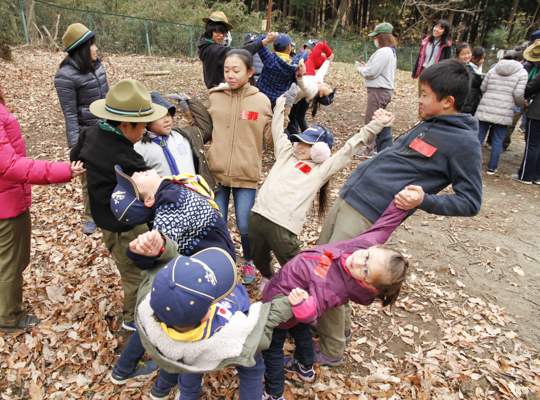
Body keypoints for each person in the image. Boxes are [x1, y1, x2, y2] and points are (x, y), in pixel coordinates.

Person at [313, 59, 483, 367]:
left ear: (448, 101)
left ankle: (332, 347)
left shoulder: (464, 142)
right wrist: (387, 132)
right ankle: (339, 325)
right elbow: (399, 158)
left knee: (332, 274)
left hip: (370, 213)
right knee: (324, 262)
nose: (419, 99)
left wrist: (424, 200)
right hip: (352, 197)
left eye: (425, 94)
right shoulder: (430, 122)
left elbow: (471, 201)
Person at [0, 23, 85, 332]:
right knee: (13, 259)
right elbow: (7, 165)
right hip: (1, 197)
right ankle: (11, 317)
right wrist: (63, 170)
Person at [261, 199, 410, 400]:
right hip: (290, 289)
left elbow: (313, 311)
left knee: (272, 347)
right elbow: (383, 227)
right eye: (366, 256)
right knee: (299, 330)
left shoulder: (333, 287)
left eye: (365, 270)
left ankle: (273, 392)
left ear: (369, 285)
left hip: (284, 304)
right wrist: (401, 205)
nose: (358, 260)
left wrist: (301, 305)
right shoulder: (360, 248)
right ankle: (305, 367)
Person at [120, 231, 294, 400]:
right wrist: (292, 302)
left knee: (189, 366)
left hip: (187, 356)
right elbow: (265, 318)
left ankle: (174, 391)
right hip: (221, 337)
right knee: (253, 368)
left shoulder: (148, 311)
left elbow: (154, 271)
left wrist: (154, 250)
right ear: (207, 314)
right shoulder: (233, 334)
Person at [107, 165, 237, 388]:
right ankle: (161, 384)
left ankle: (126, 369)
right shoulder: (171, 203)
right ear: (149, 201)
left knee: (166, 315)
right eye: (134, 182)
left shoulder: (171, 189)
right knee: (180, 321)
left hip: (203, 260)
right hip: (208, 270)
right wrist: (145, 250)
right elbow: (162, 240)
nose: (136, 173)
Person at [248, 97, 394, 286]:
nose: (300, 146)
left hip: (283, 226)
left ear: (321, 150)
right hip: (258, 216)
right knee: (257, 254)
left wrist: (375, 126)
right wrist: (280, 107)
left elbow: (348, 150)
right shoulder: (286, 154)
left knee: (293, 264)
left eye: (308, 144)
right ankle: (268, 276)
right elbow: (277, 131)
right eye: (299, 141)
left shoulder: (321, 170)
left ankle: (301, 290)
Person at [70, 79, 168, 332]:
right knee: (136, 273)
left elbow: (75, 156)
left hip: (105, 219)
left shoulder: (90, 134)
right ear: (125, 125)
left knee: (131, 268)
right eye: (142, 127)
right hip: (125, 224)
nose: (144, 132)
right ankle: (134, 322)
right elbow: (152, 190)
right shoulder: (126, 156)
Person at [206, 49, 273, 285]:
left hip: (246, 173)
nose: (230, 75)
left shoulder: (261, 101)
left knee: (245, 225)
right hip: (217, 172)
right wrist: (187, 110)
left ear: (250, 71)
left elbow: (270, 140)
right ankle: (222, 263)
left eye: (236, 70)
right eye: (226, 70)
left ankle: (249, 262)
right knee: (219, 222)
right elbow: (206, 131)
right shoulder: (215, 96)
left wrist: (282, 115)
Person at [55, 23, 109, 235]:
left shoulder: (98, 66)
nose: (96, 48)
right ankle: (90, 216)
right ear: (82, 48)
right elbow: (69, 114)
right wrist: (75, 147)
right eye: (92, 44)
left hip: (107, 128)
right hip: (88, 135)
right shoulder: (65, 76)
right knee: (89, 178)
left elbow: (108, 97)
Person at [133, 91, 218, 192]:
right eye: (160, 117)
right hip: (165, 202)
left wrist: (190, 104)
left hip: (194, 198)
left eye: (168, 115)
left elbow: (205, 129)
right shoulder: (139, 148)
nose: (167, 120)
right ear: (147, 122)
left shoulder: (183, 136)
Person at [475, 52, 528, 175]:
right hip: (505, 109)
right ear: (520, 60)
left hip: (486, 106)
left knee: (479, 137)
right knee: (498, 140)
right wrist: (520, 104)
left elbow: (483, 87)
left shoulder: (494, 69)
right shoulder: (522, 72)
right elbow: (518, 94)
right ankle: (492, 167)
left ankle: (472, 163)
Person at [197, 12, 275, 89]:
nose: (221, 35)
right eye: (217, 32)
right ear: (209, 32)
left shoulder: (204, 43)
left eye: (223, 32)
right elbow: (238, 51)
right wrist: (263, 42)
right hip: (219, 89)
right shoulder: (213, 50)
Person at [355, 22, 397, 158]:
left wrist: (361, 69)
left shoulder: (383, 51)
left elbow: (372, 71)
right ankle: (378, 147)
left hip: (379, 91)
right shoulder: (390, 51)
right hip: (384, 90)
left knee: (372, 119)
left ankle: (368, 149)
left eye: (376, 37)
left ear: (382, 37)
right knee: (380, 119)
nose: (375, 40)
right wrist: (367, 66)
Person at [512, 41, 540, 185]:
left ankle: (525, 175)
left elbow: (534, 85)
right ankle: (538, 176)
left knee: (533, 144)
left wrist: (524, 96)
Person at [412, 20, 452, 118]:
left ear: (445, 31)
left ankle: (429, 117)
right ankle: (420, 117)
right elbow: (420, 57)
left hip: (436, 73)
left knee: (432, 95)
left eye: (440, 28)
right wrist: (415, 72)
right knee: (422, 95)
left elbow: (447, 62)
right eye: (436, 26)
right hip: (424, 71)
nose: (436, 29)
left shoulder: (446, 45)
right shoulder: (426, 41)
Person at [256, 33, 300, 109]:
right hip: (279, 101)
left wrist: (269, 36)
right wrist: (302, 59)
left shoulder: (269, 59)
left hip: (262, 98)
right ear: (289, 47)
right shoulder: (293, 64)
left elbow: (257, 41)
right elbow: (304, 53)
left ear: (274, 48)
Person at [459, 43, 484, 116]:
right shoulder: (464, 69)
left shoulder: (475, 68)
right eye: (463, 54)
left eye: (468, 53)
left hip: (472, 102)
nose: (467, 56)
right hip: (467, 102)